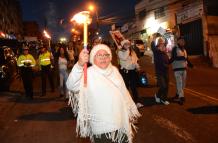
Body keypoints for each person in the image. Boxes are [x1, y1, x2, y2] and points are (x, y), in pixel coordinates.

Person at [66, 44, 140, 143]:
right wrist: (79, 64)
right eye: (99, 55)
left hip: (121, 122)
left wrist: (129, 110)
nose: (103, 58)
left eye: (106, 55)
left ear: (110, 57)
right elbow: (71, 85)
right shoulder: (88, 73)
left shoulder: (115, 71)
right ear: (93, 58)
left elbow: (123, 92)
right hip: (101, 128)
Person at [117, 39, 144, 108]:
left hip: (132, 71)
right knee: (125, 87)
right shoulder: (120, 52)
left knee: (134, 87)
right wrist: (128, 50)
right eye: (126, 44)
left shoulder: (132, 52)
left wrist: (137, 66)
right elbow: (124, 58)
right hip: (125, 72)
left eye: (128, 44)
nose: (128, 45)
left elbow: (135, 60)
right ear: (123, 45)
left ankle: (136, 102)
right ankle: (124, 103)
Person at [170, 37, 193, 105]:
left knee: (183, 84)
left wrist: (191, 65)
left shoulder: (184, 50)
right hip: (177, 69)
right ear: (178, 41)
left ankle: (177, 94)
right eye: (182, 41)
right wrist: (182, 57)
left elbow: (187, 59)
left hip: (184, 69)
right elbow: (174, 57)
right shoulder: (175, 49)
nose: (183, 42)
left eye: (184, 41)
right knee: (179, 83)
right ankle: (181, 97)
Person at [153, 37, 170, 105]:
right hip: (160, 73)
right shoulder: (156, 53)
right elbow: (153, 45)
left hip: (166, 72)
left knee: (166, 87)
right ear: (158, 47)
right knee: (163, 86)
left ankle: (163, 99)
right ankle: (157, 95)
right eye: (161, 46)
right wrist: (155, 38)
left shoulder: (165, 54)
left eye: (164, 46)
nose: (163, 47)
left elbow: (168, 62)